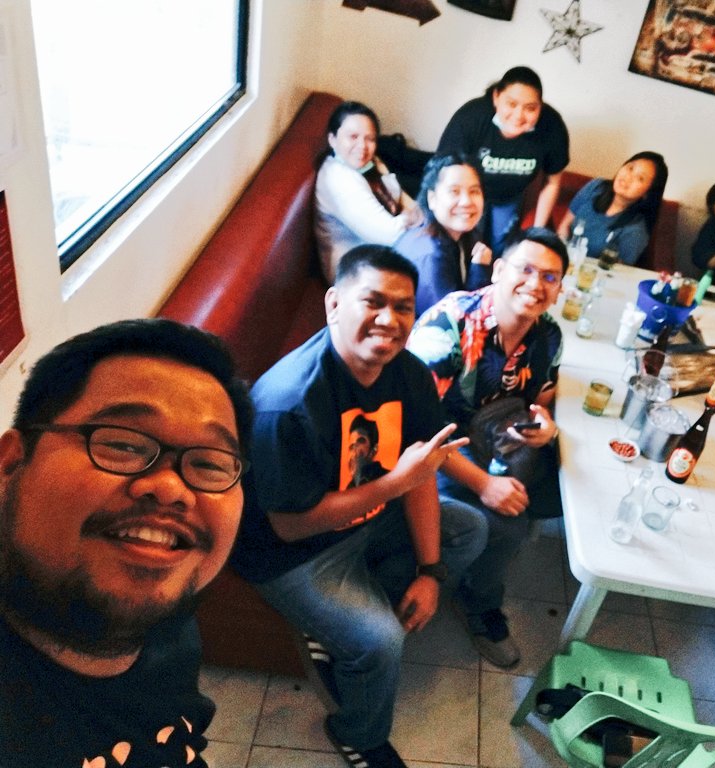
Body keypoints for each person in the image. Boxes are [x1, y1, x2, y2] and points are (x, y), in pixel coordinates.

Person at [228, 245, 487, 768]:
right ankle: (357, 735)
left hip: (366, 520)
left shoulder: (409, 375)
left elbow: (419, 476)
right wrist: (396, 484)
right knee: (380, 642)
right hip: (293, 554)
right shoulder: (288, 402)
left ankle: (342, 623)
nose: (389, 320)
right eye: (373, 302)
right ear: (333, 305)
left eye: (404, 307)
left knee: (469, 528)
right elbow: (291, 527)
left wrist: (430, 572)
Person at [0, 318, 252, 767]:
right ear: (10, 463)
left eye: (210, 464)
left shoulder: (166, 618)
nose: (171, 488)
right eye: (123, 444)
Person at [407, 227, 566, 668]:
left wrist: (544, 421)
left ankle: (482, 562)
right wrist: (483, 484)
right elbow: (417, 430)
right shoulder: (448, 326)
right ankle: (478, 602)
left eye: (549, 277)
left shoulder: (549, 333)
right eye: (525, 269)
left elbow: (542, 392)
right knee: (509, 523)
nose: (535, 284)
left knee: (560, 493)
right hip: (433, 445)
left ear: (559, 289)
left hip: (495, 433)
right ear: (497, 271)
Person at [436, 66, 570, 253]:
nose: (518, 115)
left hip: (509, 197)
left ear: (540, 107)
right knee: (465, 247)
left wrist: (536, 233)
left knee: (501, 249)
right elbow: (442, 171)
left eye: (530, 108)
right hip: (469, 193)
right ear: (496, 97)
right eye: (512, 104)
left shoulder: (552, 126)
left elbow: (552, 182)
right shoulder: (472, 117)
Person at [315, 101, 423, 282]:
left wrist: (420, 214)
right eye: (353, 137)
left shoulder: (368, 163)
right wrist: (417, 217)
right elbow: (391, 235)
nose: (362, 146)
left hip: (381, 254)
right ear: (332, 139)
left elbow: (400, 198)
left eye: (370, 139)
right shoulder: (338, 180)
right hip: (355, 274)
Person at [393, 153, 493, 316]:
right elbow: (451, 322)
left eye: (474, 191)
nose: (466, 201)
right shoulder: (430, 254)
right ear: (432, 199)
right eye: (454, 191)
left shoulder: (461, 235)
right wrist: (479, 271)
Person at [557, 151, 669, 266]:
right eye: (630, 168)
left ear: (647, 193)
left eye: (640, 178)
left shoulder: (636, 231)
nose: (628, 177)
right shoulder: (596, 186)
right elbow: (564, 226)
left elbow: (618, 270)